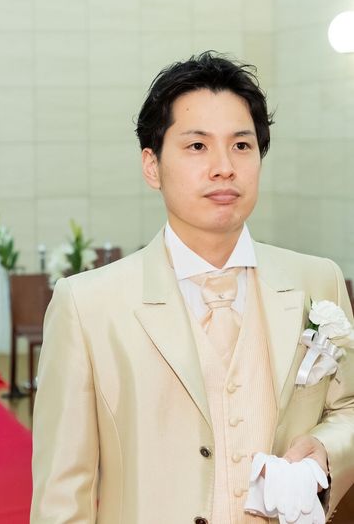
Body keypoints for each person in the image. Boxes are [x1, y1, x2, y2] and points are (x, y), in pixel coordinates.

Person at [31, 52, 354, 523]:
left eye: (241, 145)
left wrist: (326, 450)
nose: (224, 167)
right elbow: (63, 490)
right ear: (152, 166)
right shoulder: (87, 306)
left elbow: (348, 408)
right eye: (197, 146)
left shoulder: (317, 280)